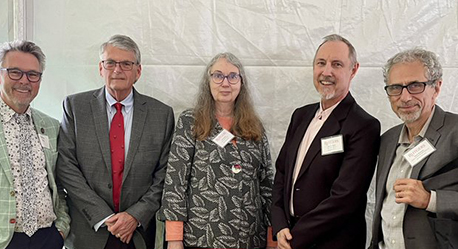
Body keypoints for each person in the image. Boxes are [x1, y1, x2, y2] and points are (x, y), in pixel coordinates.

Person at [56, 34, 175, 249]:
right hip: (88, 232)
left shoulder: (162, 115)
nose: (117, 70)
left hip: (136, 234)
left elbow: (165, 174)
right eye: (110, 62)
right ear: (101, 68)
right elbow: (66, 167)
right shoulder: (75, 107)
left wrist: (134, 216)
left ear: (138, 71)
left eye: (126, 64)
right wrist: (103, 216)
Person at [271, 34, 381, 249]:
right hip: (289, 237)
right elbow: (281, 173)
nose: (326, 71)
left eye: (337, 64)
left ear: (354, 70)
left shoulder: (364, 125)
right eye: (321, 63)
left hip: (332, 242)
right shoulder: (300, 116)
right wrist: (279, 224)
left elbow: (345, 198)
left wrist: (295, 238)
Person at [158, 52, 275, 249]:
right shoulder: (190, 122)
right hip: (202, 237)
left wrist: (272, 237)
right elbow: (175, 182)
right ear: (208, 81)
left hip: (250, 238)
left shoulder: (255, 127)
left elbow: (267, 184)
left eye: (233, 76)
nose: (225, 83)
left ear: (241, 83)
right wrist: (174, 240)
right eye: (218, 75)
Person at [0, 40, 70, 249]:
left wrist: (61, 229)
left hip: (48, 239)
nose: (24, 81)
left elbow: (60, 184)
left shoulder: (51, 125)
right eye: (15, 72)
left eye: (32, 74)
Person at [370, 48, 458, 249]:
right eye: (395, 88)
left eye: (415, 86)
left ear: (436, 88)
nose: (405, 97)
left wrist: (431, 199)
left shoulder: (457, 132)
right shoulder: (387, 140)